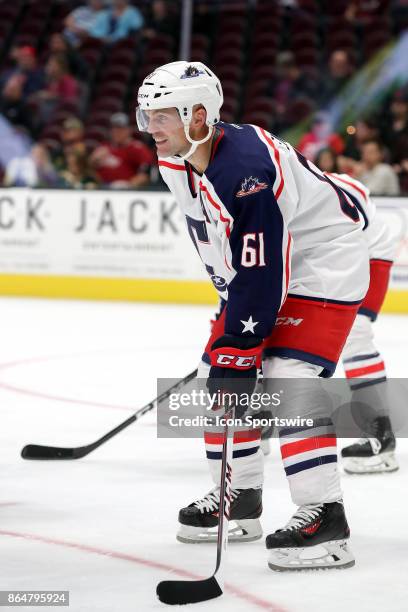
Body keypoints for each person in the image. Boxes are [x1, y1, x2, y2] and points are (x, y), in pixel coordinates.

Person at [137, 61, 369, 571]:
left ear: (199, 116)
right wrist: (231, 340)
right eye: (146, 115)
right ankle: (240, 500)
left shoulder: (243, 171)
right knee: (215, 377)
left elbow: (265, 265)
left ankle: (325, 517)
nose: (150, 128)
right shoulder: (180, 158)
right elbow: (235, 249)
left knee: (287, 378)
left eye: (161, 117)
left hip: (322, 265)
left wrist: (241, 346)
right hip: (264, 271)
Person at [324, 172, 398, 474]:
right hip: (347, 255)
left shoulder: (316, 184)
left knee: (356, 334)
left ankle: (381, 439)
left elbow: (358, 198)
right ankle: (260, 419)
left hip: (370, 252)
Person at [90, 112, 153, 188]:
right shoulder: (104, 147)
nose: (116, 132)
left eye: (120, 129)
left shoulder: (137, 148)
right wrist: (93, 160)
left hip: (126, 191)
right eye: (114, 129)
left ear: (128, 130)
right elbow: (88, 169)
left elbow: (145, 175)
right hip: (101, 189)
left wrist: (128, 185)